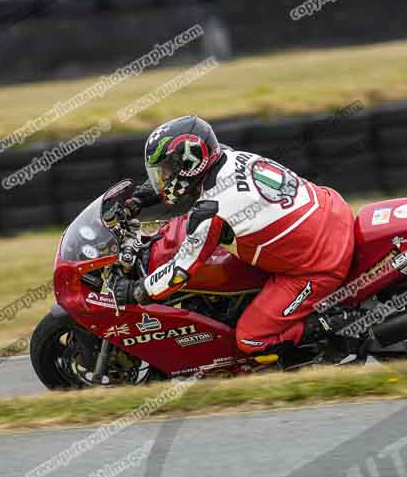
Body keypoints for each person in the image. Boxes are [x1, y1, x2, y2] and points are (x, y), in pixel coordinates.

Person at [114, 115, 361, 361]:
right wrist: (138, 199)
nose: (162, 178)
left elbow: (180, 271)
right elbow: (173, 186)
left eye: (166, 170)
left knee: (250, 338)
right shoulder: (226, 155)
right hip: (330, 208)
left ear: (189, 163)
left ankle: (335, 324)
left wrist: (138, 291)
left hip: (322, 261)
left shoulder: (212, 211)